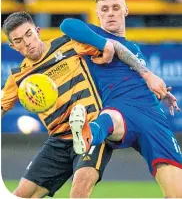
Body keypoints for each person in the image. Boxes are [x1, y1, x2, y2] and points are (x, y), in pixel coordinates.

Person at [1, 11, 167, 198]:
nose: (27, 42)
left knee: (79, 190)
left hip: (90, 130)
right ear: (13, 46)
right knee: (21, 194)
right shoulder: (17, 79)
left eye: (29, 34)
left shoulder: (68, 45)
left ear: (37, 30)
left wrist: (147, 75)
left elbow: (115, 47)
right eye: (19, 40)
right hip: (58, 141)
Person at [60, 0, 182, 198]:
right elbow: (67, 24)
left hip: (153, 117)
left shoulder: (134, 48)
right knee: (111, 118)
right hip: (120, 108)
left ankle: (90, 133)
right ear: (97, 13)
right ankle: (87, 134)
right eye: (104, 9)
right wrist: (104, 44)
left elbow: (136, 72)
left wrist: (161, 91)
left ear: (126, 10)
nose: (110, 13)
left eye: (115, 7)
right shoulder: (93, 36)